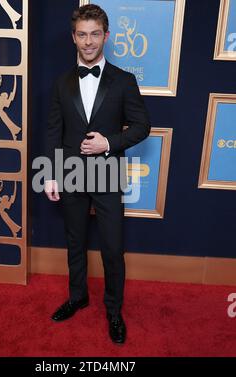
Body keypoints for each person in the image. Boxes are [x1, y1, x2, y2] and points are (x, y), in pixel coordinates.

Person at [45, 4, 150, 344]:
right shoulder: (61, 83)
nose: (88, 42)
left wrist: (108, 142)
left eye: (94, 34)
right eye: (81, 35)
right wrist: (49, 174)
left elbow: (142, 127)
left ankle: (113, 310)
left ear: (105, 36)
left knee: (112, 248)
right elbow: (53, 132)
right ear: (73, 37)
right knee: (75, 242)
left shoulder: (124, 80)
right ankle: (78, 296)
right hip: (71, 173)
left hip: (107, 173)